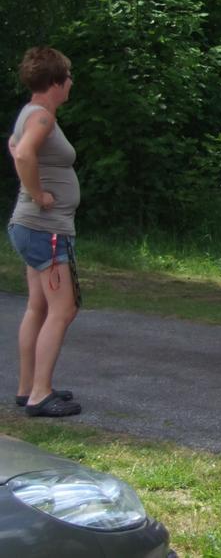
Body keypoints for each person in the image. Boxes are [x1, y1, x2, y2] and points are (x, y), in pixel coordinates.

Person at [7, 47, 83, 417]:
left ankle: (28, 388)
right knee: (62, 309)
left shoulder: (30, 114)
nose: (70, 83)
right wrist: (38, 194)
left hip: (33, 227)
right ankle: (40, 394)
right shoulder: (42, 118)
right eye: (67, 77)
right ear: (55, 81)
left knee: (38, 307)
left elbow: (14, 148)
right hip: (44, 228)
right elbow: (23, 155)